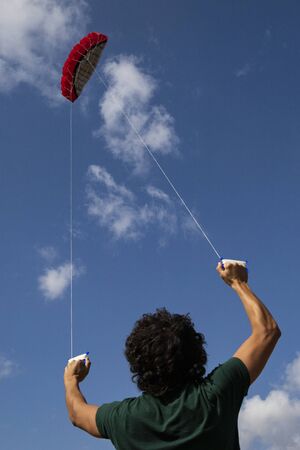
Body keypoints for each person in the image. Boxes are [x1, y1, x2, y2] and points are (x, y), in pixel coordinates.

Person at [64, 261, 281, 449]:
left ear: (136, 364)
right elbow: (267, 331)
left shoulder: (124, 419)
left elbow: (77, 413)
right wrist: (238, 282)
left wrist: (71, 380)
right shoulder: (216, 394)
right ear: (197, 352)